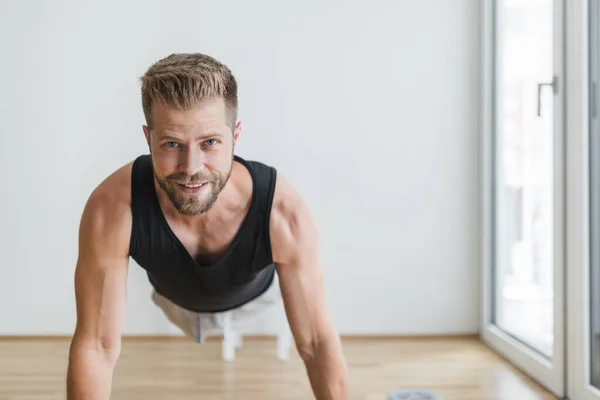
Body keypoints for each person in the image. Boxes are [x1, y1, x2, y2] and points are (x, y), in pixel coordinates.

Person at [65, 52, 349, 400]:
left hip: (254, 297)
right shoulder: (112, 208)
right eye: (171, 144)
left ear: (235, 136)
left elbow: (317, 343)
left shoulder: (283, 213)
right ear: (148, 139)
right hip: (174, 302)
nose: (191, 167)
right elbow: (95, 344)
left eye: (210, 143)